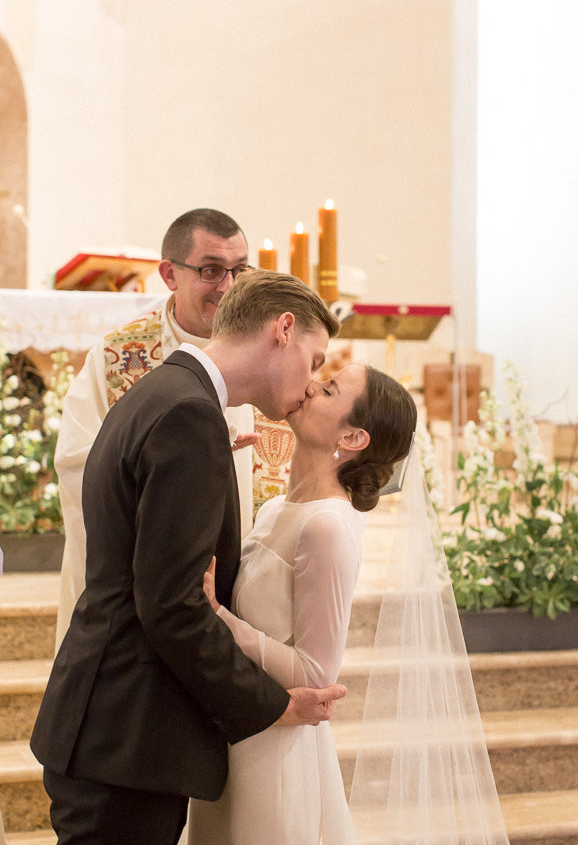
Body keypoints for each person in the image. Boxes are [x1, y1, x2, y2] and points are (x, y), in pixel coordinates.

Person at [30, 269, 345, 845]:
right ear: (282, 329)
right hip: (129, 734)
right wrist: (272, 704)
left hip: (112, 725)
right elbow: (172, 608)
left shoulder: (166, 391)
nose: (311, 381)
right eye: (315, 358)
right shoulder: (188, 416)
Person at [186, 362, 418, 844]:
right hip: (235, 731)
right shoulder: (277, 508)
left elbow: (315, 675)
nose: (311, 385)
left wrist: (219, 618)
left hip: (273, 753)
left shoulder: (328, 527)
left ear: (353, 438)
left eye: (329, 389)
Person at [54, 207, 258, 647]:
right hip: (144, 600)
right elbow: (78, 466)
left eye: (239, 270)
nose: (228, 287)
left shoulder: (266, 349)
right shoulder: (116, 360)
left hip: (247, 590)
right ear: (169, 273)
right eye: (211, 270)